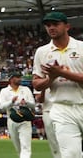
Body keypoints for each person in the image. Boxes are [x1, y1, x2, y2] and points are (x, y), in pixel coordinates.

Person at [32, 11, 83, 158]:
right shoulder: (42, 52)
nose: (51, 28)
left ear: (67, 26)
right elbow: (36, 84)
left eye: (55, 24)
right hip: (62, 108)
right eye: (48, 25)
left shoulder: (81, 47)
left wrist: (62, 73)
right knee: (70, 154)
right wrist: (51, 79)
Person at [0, 71, 36, 158]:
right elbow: (1, 106)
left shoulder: (26, 89)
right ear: (11, 79)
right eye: (17, 77)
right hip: (11, 119)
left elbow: (33, 104)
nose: (20, 79)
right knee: (18, 147)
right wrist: (11, 102)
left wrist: (26, 103)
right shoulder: (4, 91)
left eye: (20, 77)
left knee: (25, 146)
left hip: (25, 119)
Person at [35, 88, 61, 158]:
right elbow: (39, 99)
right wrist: (44, 87)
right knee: (53, 141)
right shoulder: (40, 78)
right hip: (48, 111)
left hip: (64, 110)